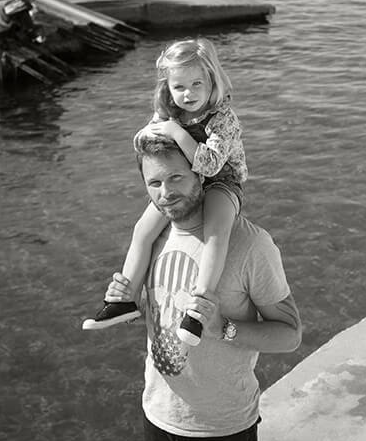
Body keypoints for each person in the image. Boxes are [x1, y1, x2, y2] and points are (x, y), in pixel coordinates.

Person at [105, 134, 301, 441]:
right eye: (154, 183)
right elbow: (160, 313)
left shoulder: (250, 245)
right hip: (157, 415)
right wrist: (131, 307)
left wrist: (222, 328)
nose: (166, 193)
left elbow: (290, 334)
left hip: (222, 427)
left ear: (200, 172)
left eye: (176, 178)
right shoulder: (156, 236)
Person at [83, 38, 248, 346]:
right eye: (179, 87)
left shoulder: (223, 117)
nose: (189, 94)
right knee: (143, 229)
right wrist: (154, 129)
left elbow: (211, 164)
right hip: (183, 180)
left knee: (215, 231)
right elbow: (142, 143)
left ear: (213, 79)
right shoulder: (171, 112)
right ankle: (125, 298)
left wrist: (175, 132)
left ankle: (198, 308)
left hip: (221, 181)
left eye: (197, 83)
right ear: (168, 88)